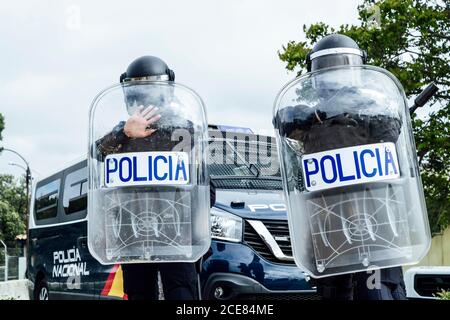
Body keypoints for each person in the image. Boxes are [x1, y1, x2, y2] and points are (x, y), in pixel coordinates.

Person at [275, 34, 407, 300]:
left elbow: (390, 127)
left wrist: (345, 108)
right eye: (329, 69)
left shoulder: (373, 111)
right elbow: (284, 119)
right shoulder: (309, 117)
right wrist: (318, 114)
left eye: (343, 66)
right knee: (334, 293)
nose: (337, 76)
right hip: (330, 227)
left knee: (377, 291)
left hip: (374, 223)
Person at [95, 55, 215, 300]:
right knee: (142, 293)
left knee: (182, 294)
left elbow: (206, 191)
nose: (146, 99)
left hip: (177, 235)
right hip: (134, 237)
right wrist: (125, 132)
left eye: (151, 91)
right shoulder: (122, 137)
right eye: (141, 91)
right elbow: (97, 152)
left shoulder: (183, 132)